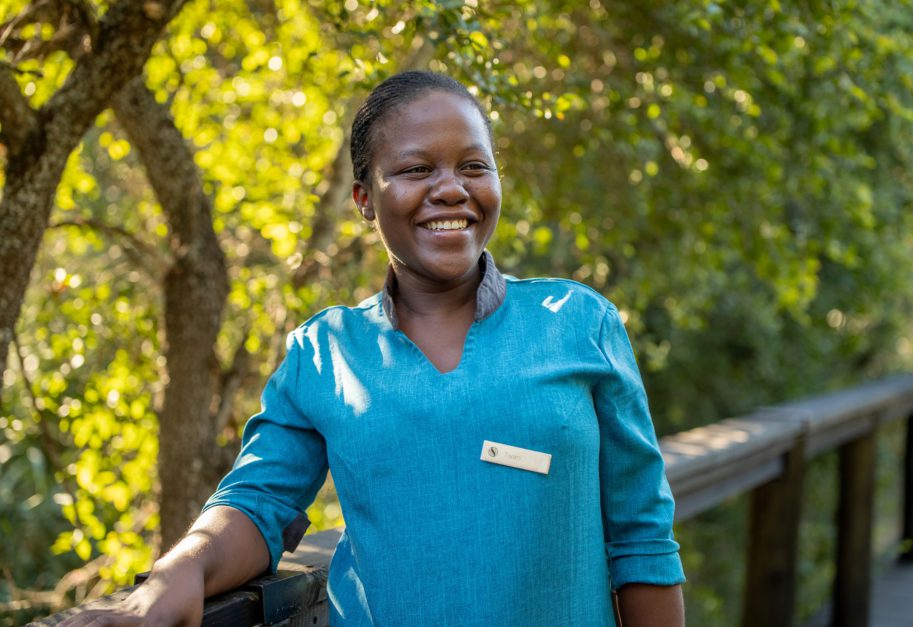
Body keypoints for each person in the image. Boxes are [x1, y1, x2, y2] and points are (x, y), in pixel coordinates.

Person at [62, 71, 685, 626]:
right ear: (365, 199)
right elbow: (259, 502)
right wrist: (182, 572)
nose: (451, 189)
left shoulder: (578, 323)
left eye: (474, 166)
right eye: (417, 170)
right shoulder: (325, 352)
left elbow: (642, 539)